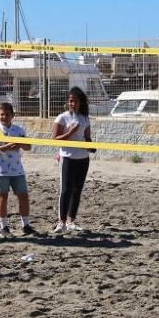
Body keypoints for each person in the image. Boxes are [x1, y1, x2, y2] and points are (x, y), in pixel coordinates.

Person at [0, 102, 35, 236]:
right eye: (2, 114)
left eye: (7, 114)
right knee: (2, 197)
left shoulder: (18, 130)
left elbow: (28, 147)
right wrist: (5, 147)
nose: (4, 117)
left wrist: (19, 144)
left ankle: (26, 225)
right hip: (1, 170)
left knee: (23, 196)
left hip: (17, 169)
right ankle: (4, 227)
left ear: (12, 115)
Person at [52, 86, 94, 233]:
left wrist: (91, 147)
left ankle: (71, 221)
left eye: (75, 101)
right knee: (65, 190)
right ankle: (61, 222)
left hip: (83, 158)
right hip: (68, 158)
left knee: (77, 190)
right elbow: (55, 139)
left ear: (80, 102)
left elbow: (87, 138)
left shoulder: (84, 118)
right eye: (71, 101)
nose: (73, 104)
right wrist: (70, 132)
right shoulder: (62, 117)